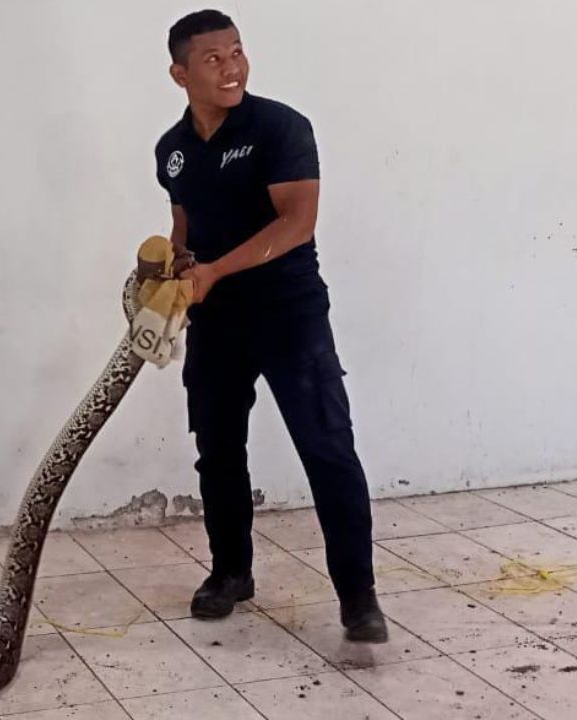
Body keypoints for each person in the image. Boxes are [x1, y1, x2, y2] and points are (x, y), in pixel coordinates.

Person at [152, 10, 387, 642]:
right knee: (218, 452)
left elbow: (297, 223)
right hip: (216, 320)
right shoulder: (172, 151)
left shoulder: (281, 128)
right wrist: (172, 269)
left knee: (327, 447)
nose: (231, 68)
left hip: (289, 314)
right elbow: (184, 228)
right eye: (212, 59)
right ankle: (231, 574)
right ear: (180, 73)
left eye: (236, 53)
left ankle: (358, 597)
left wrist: (216, 270)